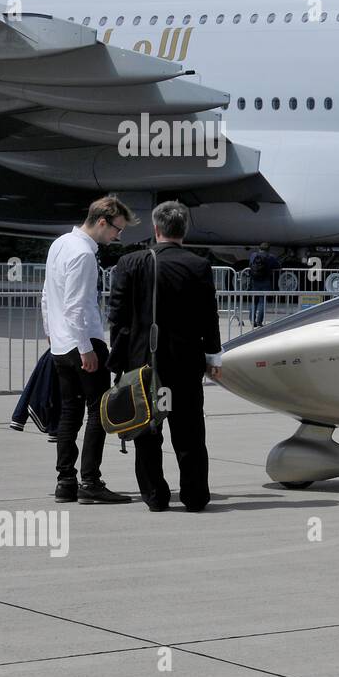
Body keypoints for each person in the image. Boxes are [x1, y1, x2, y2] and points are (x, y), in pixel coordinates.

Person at [108, 202, 222, 512]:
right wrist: (214, 357)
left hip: (143, 363)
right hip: (185, 363)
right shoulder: (199, 266)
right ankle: (195, 495)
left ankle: (155, 496)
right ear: (184, 230)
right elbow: (208, 316)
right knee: (189, 431)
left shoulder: (130, 263)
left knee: (147, 428)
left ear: (156, 230)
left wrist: (117, 362)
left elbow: (117, 317)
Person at [41, 196, 136, 504]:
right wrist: (85, 348)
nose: (117, 237)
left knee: (70, 412)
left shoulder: (60, 244)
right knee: (97, 411)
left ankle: (65, 481)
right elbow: (76, 306)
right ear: (102, 222)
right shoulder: (83, 254)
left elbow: (46, 297)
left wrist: (52, 335)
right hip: (83, 341)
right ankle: (90, 481)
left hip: (62, 342)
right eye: (117, 230)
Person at [247, 242, 279, 327]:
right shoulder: (270, 257)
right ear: (268, 249)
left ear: (259, 248)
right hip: (266, 281)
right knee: (262, 302)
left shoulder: (253, 255)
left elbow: (250, 264)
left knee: (254, 301)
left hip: (254, 281)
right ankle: (259, 322)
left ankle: (251, 320)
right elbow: (278, 266)